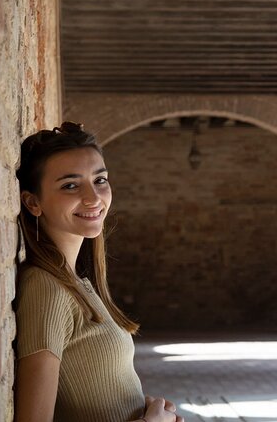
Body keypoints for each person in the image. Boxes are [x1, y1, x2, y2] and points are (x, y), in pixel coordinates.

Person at [14, 122, 183, 422]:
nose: (93, 198)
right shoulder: (45, 287)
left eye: (100, 179)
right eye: (70, 185)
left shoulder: (78, 284)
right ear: (33, 202)